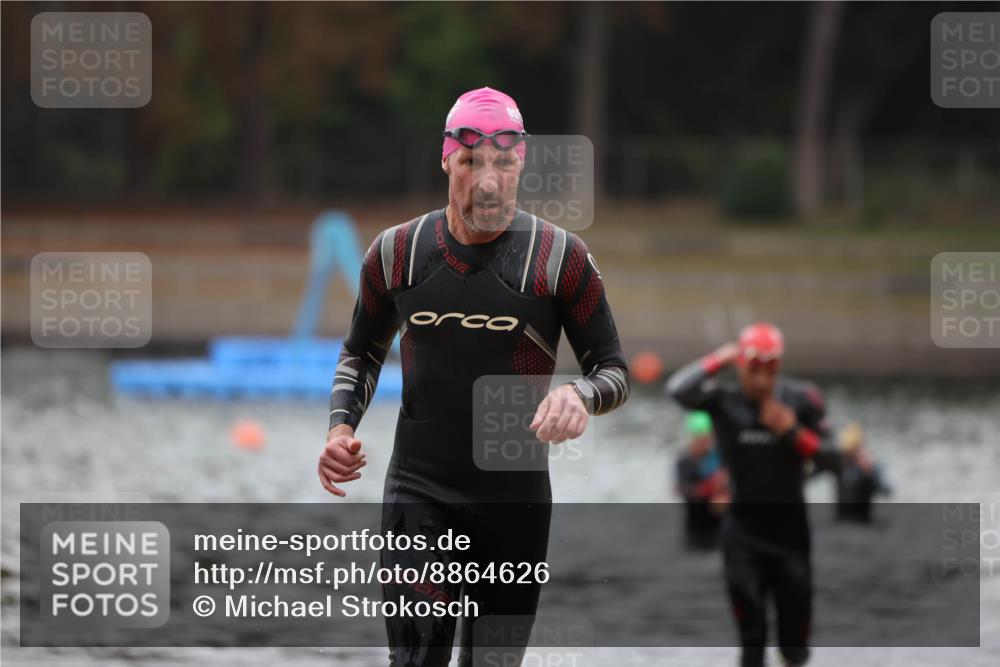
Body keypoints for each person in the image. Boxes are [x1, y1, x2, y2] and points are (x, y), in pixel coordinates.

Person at [317, 86, 630, 666]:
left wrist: (578, 394)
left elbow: (612, 371)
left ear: (521, 164)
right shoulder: (397, 254)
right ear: (446, 161)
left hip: (515, 503)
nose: (488, 181)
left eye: (503, 163)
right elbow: (359, 352)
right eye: (471, 163)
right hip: (420, 491)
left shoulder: (560, 259)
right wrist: (340, 429)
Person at [666, 322, 832, 667]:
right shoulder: (724, 400)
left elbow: (835, 460)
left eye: (769, 371)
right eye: (753, 370)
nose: (760, 380)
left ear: (778, 368)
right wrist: (718, 358)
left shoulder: (802, 400)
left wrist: (793, 432)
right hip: (743, 536)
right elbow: (677, 389)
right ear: (741, 366)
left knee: (794, 647)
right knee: (752, 637)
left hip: (791, 537)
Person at [675, 410, 730, 550]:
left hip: (717, 525)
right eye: (700, 439)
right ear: (692, 438)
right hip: (696, 526)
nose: (705, 443)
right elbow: (681, 489)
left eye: (708, 439)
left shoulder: (719, 459)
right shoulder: (685, 461)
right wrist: (707, 488)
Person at [834, 422, 890, 523]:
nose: (848, 456)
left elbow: (886, 492)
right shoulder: (838, 464)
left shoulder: (872, 466)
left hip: (862, 519)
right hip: (842, 518)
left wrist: (870, 472)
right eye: (846, 452)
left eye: (851, 451)